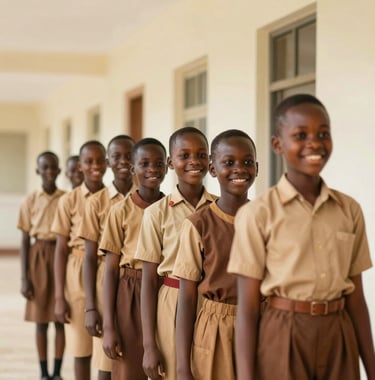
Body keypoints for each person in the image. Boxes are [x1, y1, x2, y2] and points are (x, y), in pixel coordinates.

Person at [227, 94, 375, 380]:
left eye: (323, 133)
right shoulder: (258, 213)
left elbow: (356, 298)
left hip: (338, 333)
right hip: (284, 333)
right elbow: (247, 308)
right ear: (277, 145)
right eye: (300, 135)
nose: (314, 143)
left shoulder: (349, 210)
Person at [174, 129, 258, 380]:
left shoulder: (267, 220)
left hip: (262, 324)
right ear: (212, 169)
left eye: (247, 162)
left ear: (257, 167)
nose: (239, 169)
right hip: (216, 329)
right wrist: (182, 367)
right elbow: (187, 299)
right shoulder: (197, 225)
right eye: (229, 162)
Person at [134, 126, 217, 380]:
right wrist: (149, 345)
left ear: (210, 161)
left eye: (201, 155)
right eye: (185, 155)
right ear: (171, 162)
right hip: (172, 301)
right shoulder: (156, 213)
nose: (194, 161)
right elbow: (148, 281)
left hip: (210, 303)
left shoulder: (219, 208)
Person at [100, 137, 167, 380]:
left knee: (165, 363)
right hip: (130, 291)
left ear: (167, 166)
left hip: (166, 290)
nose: (152, 169)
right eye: (145, 163)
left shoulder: (171, 208)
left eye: (158, 163)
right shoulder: (119, 212)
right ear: (133, 169)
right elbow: (109, 271)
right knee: (130, 368)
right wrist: (109, 327)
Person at [79, 135, 135, 380]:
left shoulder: (151, 199)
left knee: (134, 355)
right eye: (116, 156)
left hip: (140, 283)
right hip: (107, 281)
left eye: (129, 155)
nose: (123, 161)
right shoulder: (95, 202)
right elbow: (90, 258)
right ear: (108, 162)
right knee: (107, 358)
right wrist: (91, 307)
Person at [52, 141, 107, 380]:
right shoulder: (69, 200)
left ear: (107, 163)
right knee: (81, 348)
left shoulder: (114, 198)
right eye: (88, 161)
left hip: (107, 269)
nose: (95, 166)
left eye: (99, 160)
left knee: (106, 346)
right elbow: (61, 250)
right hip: (77, 269)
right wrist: (58, 297)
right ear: (80, 166)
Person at [17, 151, 65, 380]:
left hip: (61, 254)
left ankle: (57, 371)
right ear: (38, 171)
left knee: (60, 319)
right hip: (38, 256)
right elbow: (25, 240)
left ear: (59, 170)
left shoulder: (65, 198)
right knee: (40, 320)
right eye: (44, 168)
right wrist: (24, 277)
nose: (49, 172)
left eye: (53, 167)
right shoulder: (30, 200)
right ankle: (44, 372)